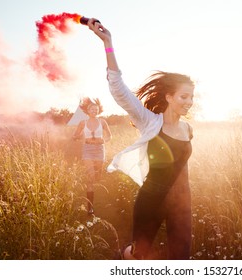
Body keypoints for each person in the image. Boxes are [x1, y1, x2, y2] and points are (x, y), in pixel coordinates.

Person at [87, 18, 195, 260]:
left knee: (182, 258)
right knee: (139, 256)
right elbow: (118, 89)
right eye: (184, 97)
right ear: (169, 96)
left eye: (191, 97)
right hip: (152, 198)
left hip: (182, 201)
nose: (189, 102)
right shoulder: (150, 121)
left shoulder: (187, 129)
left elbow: (181, 169)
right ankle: (125, 256)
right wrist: (108, 42)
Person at [73, 97, 112, 215]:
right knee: (90, 178)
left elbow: (110, 136)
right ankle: (90, 207)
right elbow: (75, 136)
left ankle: (96, 178)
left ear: (98, 110)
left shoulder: (103, 122)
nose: (94, 111)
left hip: (100, 149)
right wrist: (79, 137)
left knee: (98, 175)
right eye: (91, 109)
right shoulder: (82, 123)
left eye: (96, 109)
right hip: (88, 150)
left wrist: (103, 140)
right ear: (87, 111)